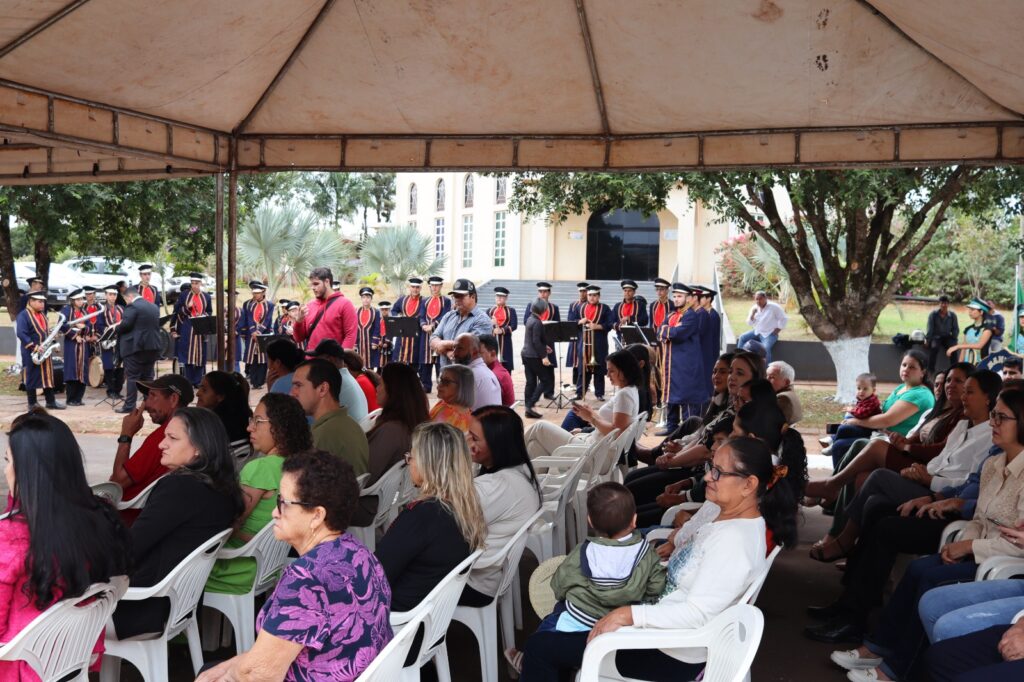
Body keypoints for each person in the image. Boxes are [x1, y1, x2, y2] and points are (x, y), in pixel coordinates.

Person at [519, 437, 797, 681]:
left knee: (540, 649)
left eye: (719, 472)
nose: (708, 477)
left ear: (749, 485)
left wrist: (628, 614)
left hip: (667, 652)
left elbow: (697, 614)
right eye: (711, 467)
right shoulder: (729, 520)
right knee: (567, 606)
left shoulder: (734, 542)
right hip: (660, 625)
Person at [829, 386, 1024, 681]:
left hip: (1003, 562)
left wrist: (969, 546)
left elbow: (1017, 543)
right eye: (994, 415)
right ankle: (878, 646)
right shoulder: (994, 464)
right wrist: (960, 544)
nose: (993, 423)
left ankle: (893, 669)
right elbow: (980, 517)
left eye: (1002, 417)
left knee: (932, 581)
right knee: (920, 568)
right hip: (977, 549)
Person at [196, 450, 392, 681]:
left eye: (283, 503)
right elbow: (263, 659)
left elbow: (258, 674)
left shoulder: (307, 578)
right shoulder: (360, 554)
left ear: (317, 516)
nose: (274, 512)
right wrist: (224, 670)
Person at [806, 370, 999, 565]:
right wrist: (919, 471)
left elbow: (970, 483)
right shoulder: (961, 425)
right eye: (962, 390)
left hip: (943, 496)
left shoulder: (990, 438)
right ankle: (855, 564)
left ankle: (844, 539)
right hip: (927, 479)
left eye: (969, 392)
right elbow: (939, 461)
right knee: (874, 500)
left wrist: (930, 479)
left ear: (988, 398)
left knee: (879, 475)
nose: (963, 396)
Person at [0, 413, 131, 680]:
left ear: (29, 472)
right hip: (70, 660)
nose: (5, 470)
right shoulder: (98, 520)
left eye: (8, 461)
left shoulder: (13, 538)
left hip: (17, 668)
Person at [505, 482, 666, 673]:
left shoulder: (584, 552)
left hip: (576, 619)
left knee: (545, 630)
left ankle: (529, 663)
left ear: (590, 521)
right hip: (621, 625)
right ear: (634, 520)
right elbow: (656, 587)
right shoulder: (647, 554)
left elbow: (560, 584)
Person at [112, 407, 244, 639]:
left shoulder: (179, 488)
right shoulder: (223, 489)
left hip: (139, 607)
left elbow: (127, 550)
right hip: (178, 604)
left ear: (199, 449)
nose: (161, 444)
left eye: (172, 438)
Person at [205, 393, 312, 595]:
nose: (249, 428)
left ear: (280, 427)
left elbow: (229, 521)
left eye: (258, 421)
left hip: (236, 568)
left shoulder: (260, 468)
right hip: (271, 566)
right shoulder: (301, 465)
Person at [375, 422, 487, 612]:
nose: (408, 462)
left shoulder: (423, 516)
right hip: (426, 615)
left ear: (430, 464)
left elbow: (376, 576)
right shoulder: (464, 508)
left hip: (395, 620)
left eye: (412, 456)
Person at [462, 406, 543, 605]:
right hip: (487, 575)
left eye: (474, 438)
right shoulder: (519, 469)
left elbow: (449, 521)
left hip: (473, 582)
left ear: (497, 445)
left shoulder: (495, 487)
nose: (466, 440)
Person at [525, 349, 642, 459]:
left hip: (595, 453)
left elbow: (617, 433)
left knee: (539, 427)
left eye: (611, 371)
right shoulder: (630, 391)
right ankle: (531, 480)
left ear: (624, 371)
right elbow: (614, 424)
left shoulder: (624, 395)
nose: (607, 375)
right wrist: (592, 414)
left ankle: (509, 450)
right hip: (595, 447)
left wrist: (591, 418)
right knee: (534, 446)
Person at [352, 363, 431, 526]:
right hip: (381, 500)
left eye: (381, 384)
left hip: (365, 503)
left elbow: (365, 475)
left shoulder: (392, 430)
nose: (377, 388)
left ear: (394, 392)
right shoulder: (407, 423)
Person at [826, 350, 935, 467]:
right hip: (880, 432)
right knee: (844, 430)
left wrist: (855, 421)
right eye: (904, 365)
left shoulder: (920, 394)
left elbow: (887, 420)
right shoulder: (902, 387)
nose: (906, 369)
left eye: (912, 367)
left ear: (922, 372)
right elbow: (883, 410)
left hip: (893, 443)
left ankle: (838, 482)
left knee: (840, 446)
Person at [290, 359, 369, 476]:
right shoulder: (346, 423)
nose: (292, 393)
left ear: (322, 389)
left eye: (298, 385)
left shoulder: (326, 434)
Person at [658, 283, 706, 435]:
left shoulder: (691, 315)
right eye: (675, 296)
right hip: (671, 364)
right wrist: (669, 329)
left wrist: (669, 330)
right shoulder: (671, 315)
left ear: (689, 298)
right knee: (671, 396)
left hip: (686, 364)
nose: (676, 299)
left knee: (686, 396)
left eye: (680, 296)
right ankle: (671, 427)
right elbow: (660, 330)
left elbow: (679, 334)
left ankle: (688, 430)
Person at [15, 289, 64, 410]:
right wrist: (34, 346)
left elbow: (45, 332)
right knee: (31, 375)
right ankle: (32, 403)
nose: (42, 304)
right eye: (39, 301)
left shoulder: (42, 315)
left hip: (45, 350)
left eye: (43, 302)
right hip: (31, 351)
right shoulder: (23, 315)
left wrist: (53, 340)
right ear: (30, 301)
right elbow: (21, 333)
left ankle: (50, 401)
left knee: (48, 375)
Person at [429, 278, 493, 369]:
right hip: (446, 374)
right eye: (455, 296)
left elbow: (470, 347)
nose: (457, 299)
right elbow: (433, 339)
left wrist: (443, 344)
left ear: (473, 296)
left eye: (461, 296)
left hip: (469, 377)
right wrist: (447, 352)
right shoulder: (449, 316)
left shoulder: (482, 320)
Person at [290, 266, 357, 350]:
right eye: (311, 284)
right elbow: (298, 338)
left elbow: (350, 336)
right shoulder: (309, 306)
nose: (313, 288)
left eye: (316, 284)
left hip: (333, 361)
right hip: (310, 360)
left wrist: (340, 359)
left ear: (327, 282)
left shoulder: (345, 304)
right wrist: (298, 322)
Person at [304, 339, 369, 421]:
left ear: (329, 359)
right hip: (353, 430)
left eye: (318, 360)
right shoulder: (345, 378)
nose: (316, 364)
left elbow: (317, 418)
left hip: (347, 431)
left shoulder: (335, 382)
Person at [169, 273, 212, 386]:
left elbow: (210, 311)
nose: (194, 286)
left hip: (201, 329)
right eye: (192, 283)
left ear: (200, 283)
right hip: (187, 329)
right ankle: (189, 381)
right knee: (187, 356)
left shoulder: (206, 296)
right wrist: (187, 307)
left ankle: (197, 381)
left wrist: (203, 315)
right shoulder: (184, 295)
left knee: (200, 356)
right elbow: (178, 312)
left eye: (196, 283)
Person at [573, 285, 615, 400]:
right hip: (584, 342)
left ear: (599, 296)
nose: (592, 297)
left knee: (600, 368)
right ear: (587, 295)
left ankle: (599, 393)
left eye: (595, 295)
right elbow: (572, 321)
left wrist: (598, 326)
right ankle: (580, 393)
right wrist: (579, 321)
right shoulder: (580, 308)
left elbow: (610, 324)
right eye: (590, 295)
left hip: (599, 343)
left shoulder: (605, 308)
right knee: (583, 368)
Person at [391, 276, 429, 386]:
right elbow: (394, 310)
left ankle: (411, 384)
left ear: (420, 288)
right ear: (409, 287)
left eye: (417, 287)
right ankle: (398, 384)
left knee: (414, 360)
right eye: (413, 287)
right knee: (399, 359)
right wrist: (398, 317)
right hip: (402, 335)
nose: (415, 289)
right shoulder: (402, 299)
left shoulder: (424, 301)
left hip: (416, 335)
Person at [524, 282, 560, 400]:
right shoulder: (531, 305)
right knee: (535, 367)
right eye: (540, 291)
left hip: (548, 339)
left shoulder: (554, 307)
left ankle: (549, 392)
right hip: (534, 340)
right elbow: (526, 321)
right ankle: (535, 394)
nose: (543, 294)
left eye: (545, 291)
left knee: (549, 367)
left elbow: (557, 323)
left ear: (549, 293)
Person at [196, 371, 253, 444]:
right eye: (199, 388)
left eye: (204, 390)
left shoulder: (214, 427)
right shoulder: (241, 418)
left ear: (220, 396)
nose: (198, 393)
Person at [59, 288, 94, 406]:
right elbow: (62, 325)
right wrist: (74, 335)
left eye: (81, 299)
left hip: (83, 345)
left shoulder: (85, 312)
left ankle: (79, 398)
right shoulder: (66, 311)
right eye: (78, 299)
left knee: (82, 371)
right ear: (73, 300)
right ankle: (70, 399)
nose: (80, 301)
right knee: (72, 370)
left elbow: (89, 326)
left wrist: (84, 327)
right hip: (71, 345)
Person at [237, 280, 274, 389]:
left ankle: (260, 381)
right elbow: (248, 318)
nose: (255, 295)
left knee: (262, 358)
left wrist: (259, 332)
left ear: (263, 292)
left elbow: (268, 319)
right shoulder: (250, 305)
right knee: (253, 357)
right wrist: (253, 331)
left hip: (263, 334)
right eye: (253, 293)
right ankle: (253, 381)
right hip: (252, 334)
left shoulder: (270, 305)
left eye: (257, 293)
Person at [450, 332, 502, 409]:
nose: (454, 353)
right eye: (454, 348)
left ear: (474, 352)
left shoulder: (469, 376)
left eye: (460, 348)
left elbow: (453, 410)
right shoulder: (483, 370)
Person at [522, 298, 554, 419]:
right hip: (533, 356)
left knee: (530, 382)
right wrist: (544, 356)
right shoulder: (537, 322)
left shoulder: (530, 319)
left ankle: (527, 408)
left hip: (526, 354)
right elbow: (536, 341)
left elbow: (533, 339)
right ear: (542, 310)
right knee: (545, 380)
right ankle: (530, 405)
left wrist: (545, 347)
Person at [737, 290, 788, 364]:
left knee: (765, 349)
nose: (758, 301)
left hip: (769, 334)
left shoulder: (774, 307)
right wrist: (752, 315)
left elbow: (784, 318)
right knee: (742, 337)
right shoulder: (754, 308)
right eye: (756, 299)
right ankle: (739, 360)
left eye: (760, 299)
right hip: (757, 332)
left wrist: (778, 329)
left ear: (765, 298)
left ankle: (766, 371)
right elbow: (749, 323)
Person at [421, 276, 452, 388]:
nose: (434, 288)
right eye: (432, 285)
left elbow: (445, 316)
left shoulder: (447, 301)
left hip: (440, 336)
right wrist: (423, 325)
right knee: (425, 361)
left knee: (440, 361)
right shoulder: (424, 301)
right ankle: (426, 386)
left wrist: (433, 325)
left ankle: (442, 386)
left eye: (437, 285)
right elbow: (421, 316)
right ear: (430, 286)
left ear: (441, 286)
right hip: (425, 336)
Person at [95, 284, 125, 399]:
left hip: (120, 341)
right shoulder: (102, 309)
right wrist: (107, 329)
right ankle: (111, 390)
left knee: (120, 367)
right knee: (109, 366)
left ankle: (118, 390)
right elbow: (99, 325)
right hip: (108, 341)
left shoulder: (122, 308)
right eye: (110, 294)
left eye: (114, 295)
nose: (113, 297)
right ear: (106, 295)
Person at [948, 297, 997, 363]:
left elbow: (979, 346)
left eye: (973, 310)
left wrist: (957, 346)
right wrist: (960, 364)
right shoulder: (968, 329)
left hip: (982, 364)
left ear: (981, 312)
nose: (970, 312)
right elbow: (964, 349)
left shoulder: (988, 329)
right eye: (969, 309)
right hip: (967, 364)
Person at [430, 363, 475, 432]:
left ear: (461, 387)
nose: (439, 385)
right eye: (441, 380)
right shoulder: (444, 404)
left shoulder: (449, 414)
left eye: (446, 381)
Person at [696, 286, 722, 400]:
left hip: (709, 353)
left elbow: (710, 337)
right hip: (704, 351)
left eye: (701, 298)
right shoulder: (704, 313)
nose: (699, 300)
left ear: (708, 299)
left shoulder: (712, 315)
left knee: (708, 380)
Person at [487, 286, 518, 373]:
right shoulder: (489, 311)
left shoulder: (511, 311)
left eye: (502, 296)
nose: (499, 298)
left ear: (506, 298)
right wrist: (492, 327)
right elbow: (484, 326)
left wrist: (502, 330)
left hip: (506, 342)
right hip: (492, 342)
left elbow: (514, 325)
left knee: (506, 369)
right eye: (497, 296)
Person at [479, 334, 515, 407]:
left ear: (492, 354)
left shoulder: (494, 376)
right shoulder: (491, 370)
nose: (475, 357)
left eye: (480, 353)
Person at [926, 295, 959, 372]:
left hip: (948, 336)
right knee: (934, 348)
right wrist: (928, 340)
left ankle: (955, 369)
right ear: (939, 304)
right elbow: (930, 328)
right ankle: (931, 370)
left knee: (953, 349)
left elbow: (955, 328)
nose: (944, 305)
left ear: (948, 304)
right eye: (942, 303)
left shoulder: (952, 315)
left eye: (945, 303)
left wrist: (954, 339)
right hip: (936, 336)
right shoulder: (933, 315)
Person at [566, 282, 589, 385]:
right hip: (576, 334)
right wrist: (580, 321)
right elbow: (570, 320)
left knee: (587, 358)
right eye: (581, 291)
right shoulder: (573, 305)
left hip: (588, 334)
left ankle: (586, 383)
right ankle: (575, 383)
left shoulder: (591, 305)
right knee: (575, 358)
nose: (582, 293)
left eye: (584, 291)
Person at [767, 360, 803, 425]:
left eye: (772, 377)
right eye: (766, 376)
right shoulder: (789, 394)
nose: (766, 380)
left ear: (786, 382)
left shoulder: (783, 398)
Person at [355, 286, 382, 370]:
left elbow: (377, 328)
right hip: (360, 343)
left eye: (368, 297)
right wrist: (354, 343)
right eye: (363, 297)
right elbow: (355, 328)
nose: (365, 299)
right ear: (361, 299)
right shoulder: (356, 311)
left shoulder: (376, 312)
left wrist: (375, 342)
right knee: (359, 365)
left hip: (370, 343)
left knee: (370, 365)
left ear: (371, 298)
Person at [376, 300, 393, 370]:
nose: (384, 311)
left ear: (389, 310)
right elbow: (376, 332)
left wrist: (387, 342)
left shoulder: (392, 321)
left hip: (389, 346)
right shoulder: (378, 321)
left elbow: (393, 333)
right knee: (379, 364)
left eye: (386, 310)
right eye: (382, 310)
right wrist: (378, 341)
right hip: (379, 346)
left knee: (389, 363)